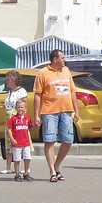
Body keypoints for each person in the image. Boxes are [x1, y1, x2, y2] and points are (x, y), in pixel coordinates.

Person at [33, 49, 79, 182]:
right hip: (49, 111)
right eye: (63, 58)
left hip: (66, 110)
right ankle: (53, 172)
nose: (65, 60)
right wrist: (36, 115)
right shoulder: (43, 73)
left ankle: (57, 165)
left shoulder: (66, 71)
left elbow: (72, 91)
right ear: (55, 59)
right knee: (50, 140)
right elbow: (37, 95)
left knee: (68, 140)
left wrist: (76, 110)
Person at [1, 70, 27, 175]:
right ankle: (8, 167)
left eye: (9, 79)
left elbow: (25, 107)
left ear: (15, 80)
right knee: (8, 142)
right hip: (8, 119)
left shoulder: (21, 91)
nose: (6, 81)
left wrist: (23, 120)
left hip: (17, 119)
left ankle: (25, 167)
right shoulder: (9, 92)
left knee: (20, 143)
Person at [6, 97, 34, 181]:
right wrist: (12, 139)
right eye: (18, 107)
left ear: (25, 108)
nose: (20, 109)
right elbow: (9, 129)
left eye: (22, 107)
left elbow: (30, 127)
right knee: (17, 159)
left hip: (26, 143)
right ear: (15, 108)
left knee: (27, 158)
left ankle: (26, 173)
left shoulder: (27, 118)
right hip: (17, 143)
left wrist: (36, 125)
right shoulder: (13, 119)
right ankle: (17, 174)